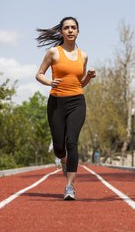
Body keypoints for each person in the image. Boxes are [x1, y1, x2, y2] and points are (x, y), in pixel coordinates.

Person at [35, 16, 96, 200]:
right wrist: (50, 82)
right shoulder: (53, 53)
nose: (70, 30)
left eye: (73, 27)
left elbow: (80, 83)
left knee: (72, 142)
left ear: (78, 31)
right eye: (67, 28)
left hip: (77, 102)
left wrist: (89, 78)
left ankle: (69, 186)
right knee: (60, 147)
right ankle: (62, 159)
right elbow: (39, 74)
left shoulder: (83, 55)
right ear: (61, 32)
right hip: (56, 103)